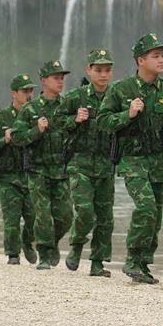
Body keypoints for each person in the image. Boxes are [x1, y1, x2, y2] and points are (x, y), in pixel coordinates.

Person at [97, 33, 163, 284]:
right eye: (155, 56)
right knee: (145, 208)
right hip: (133, 161)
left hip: (161, 162)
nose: (161, 60)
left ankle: (143, 265)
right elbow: (103, 121)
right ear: (140, 60)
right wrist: (128, 114)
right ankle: (133, 259)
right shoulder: (121, 90)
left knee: (155, 214)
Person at [56, 48, 116, 278]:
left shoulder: (116, 95)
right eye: (98, 70)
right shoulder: (75, 97)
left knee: (105, 216)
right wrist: (74, 119)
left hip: (105, 164)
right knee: (84, 211)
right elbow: (57, 123)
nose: (103, 75)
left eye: (107, 70)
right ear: (89, 70)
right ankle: (76, 245)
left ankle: (98, 262)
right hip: (79, 162)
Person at [11, 60, 74, 270]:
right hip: (37, 169)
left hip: (61, 169)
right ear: (44, 81)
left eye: (62, 78)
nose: (60, 81)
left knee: (65, 216)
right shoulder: (30, 109)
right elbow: (18, 137)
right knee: (43, 215)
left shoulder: (66, 105)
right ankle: (45, 253)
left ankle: (47, 241)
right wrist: (36, 130)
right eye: (56, 77)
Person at [0, 73, 37, 265]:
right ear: (14, 93)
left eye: (31, 90)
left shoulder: (37, 114)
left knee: (33, 217)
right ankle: (13, 254)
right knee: (11, 219)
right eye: (25, 91)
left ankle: (28, 243)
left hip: (32, 174)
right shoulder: (0, 118)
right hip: (8, 176)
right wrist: (3, 140)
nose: (29, 94)